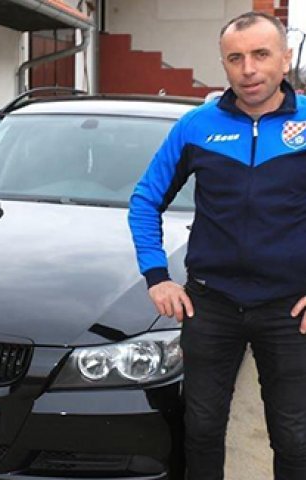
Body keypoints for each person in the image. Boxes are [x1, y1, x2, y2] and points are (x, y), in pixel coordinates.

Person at [128, 11, 306, 480]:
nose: (248, 69)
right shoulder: (196, 126)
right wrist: (157, 276)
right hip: (211, 305)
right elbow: (145, 199)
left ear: (285, 59)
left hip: (288, 310)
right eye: (235, 58)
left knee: (294, 436)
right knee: (202, 430)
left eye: (261, 54)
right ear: (224, 64)